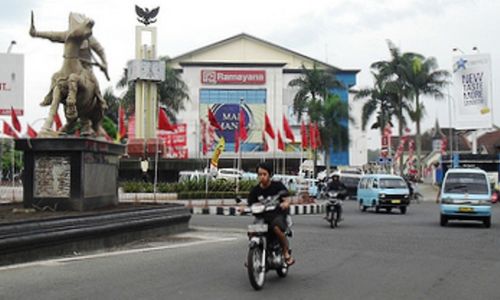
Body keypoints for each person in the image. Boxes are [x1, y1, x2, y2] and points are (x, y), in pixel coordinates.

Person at [247, 162, 295, 266]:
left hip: (277, 215)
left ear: (270, 175)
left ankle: (286, 253)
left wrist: (285, 203)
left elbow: (286, 198)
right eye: (259, 174)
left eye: (264, 174)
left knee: (277, 228)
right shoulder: (255, 190)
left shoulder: (277, 186)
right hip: (262, 217)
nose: (262, 177)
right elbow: (250, 204)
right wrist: (243, 208)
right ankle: (254, 254)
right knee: (252, 231)